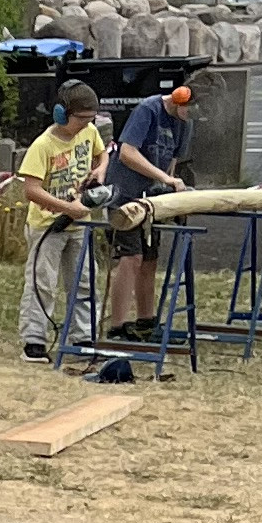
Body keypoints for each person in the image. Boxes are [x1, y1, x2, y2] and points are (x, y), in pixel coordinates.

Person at [0, 74, 105, 361]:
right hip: (48, 225)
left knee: (84, 280)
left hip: (79, 223)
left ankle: (83, 336)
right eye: (81, 118)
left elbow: (102, 154)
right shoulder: (43, 146)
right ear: (61, 113)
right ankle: (34, 341)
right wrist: (66, 208)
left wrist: (99, 171)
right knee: (41, 282)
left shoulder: (89, 132)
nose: (86, 124)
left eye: (90, 119)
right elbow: (31, 190)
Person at [104, 72, 197, 340]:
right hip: (125, 196)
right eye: (190, 110)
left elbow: (172, 164)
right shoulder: (148, 110)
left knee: (149, 259)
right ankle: (118, 326)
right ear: (180, 98)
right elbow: (127, 153)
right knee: (130, 258)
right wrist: (165, 178)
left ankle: (146, 322)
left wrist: (170, 192)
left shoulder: (184, 123)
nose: (190, 117)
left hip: (151, 199)